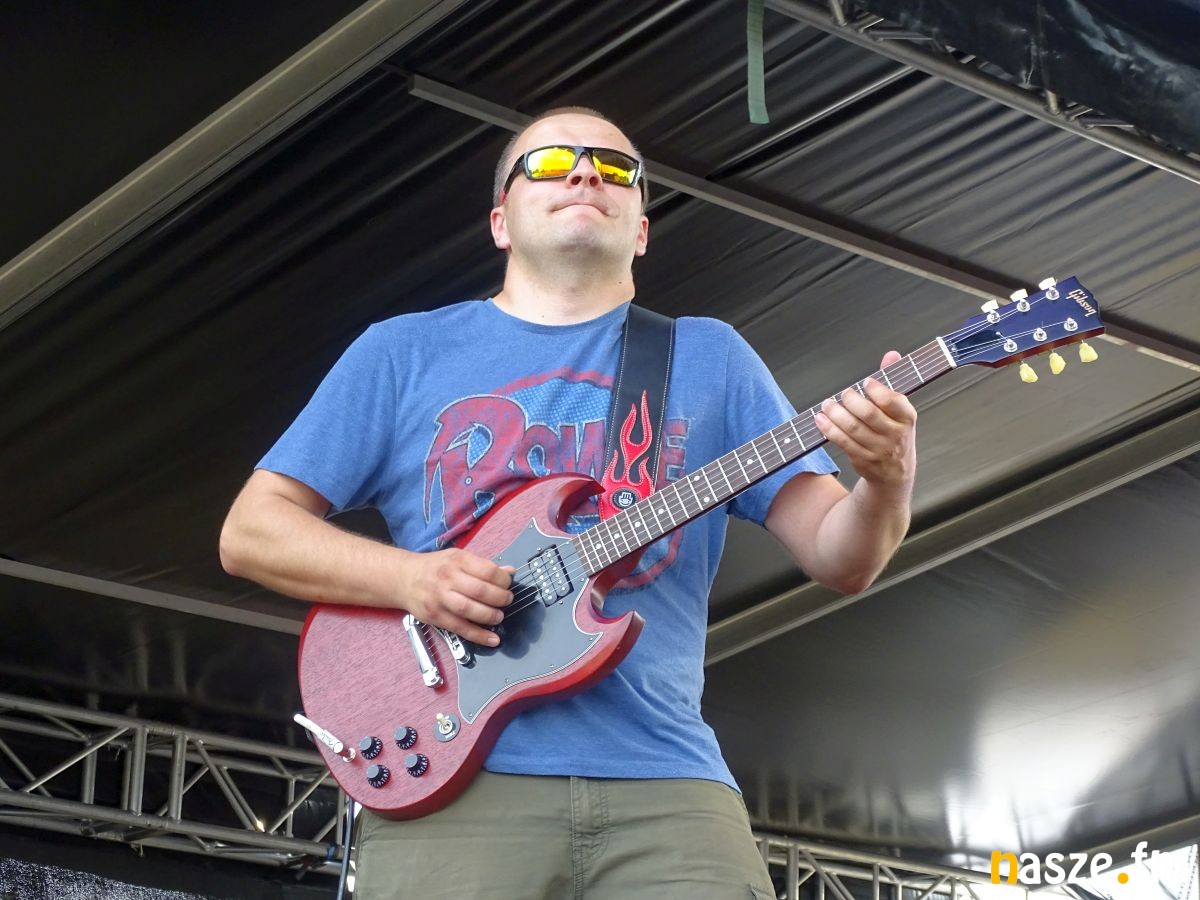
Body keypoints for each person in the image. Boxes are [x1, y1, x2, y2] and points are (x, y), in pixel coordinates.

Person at [219, 106, 917, 899]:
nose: (586, 173)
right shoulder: (402, 352)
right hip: (457, 778)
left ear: (642, 230)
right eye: (551, 164)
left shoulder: (710, 357)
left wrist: (887, 479)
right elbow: (251, 532)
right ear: (500, 221)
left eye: (616, 169)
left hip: (666, 780)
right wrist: (413, 580)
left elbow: (839, 556)